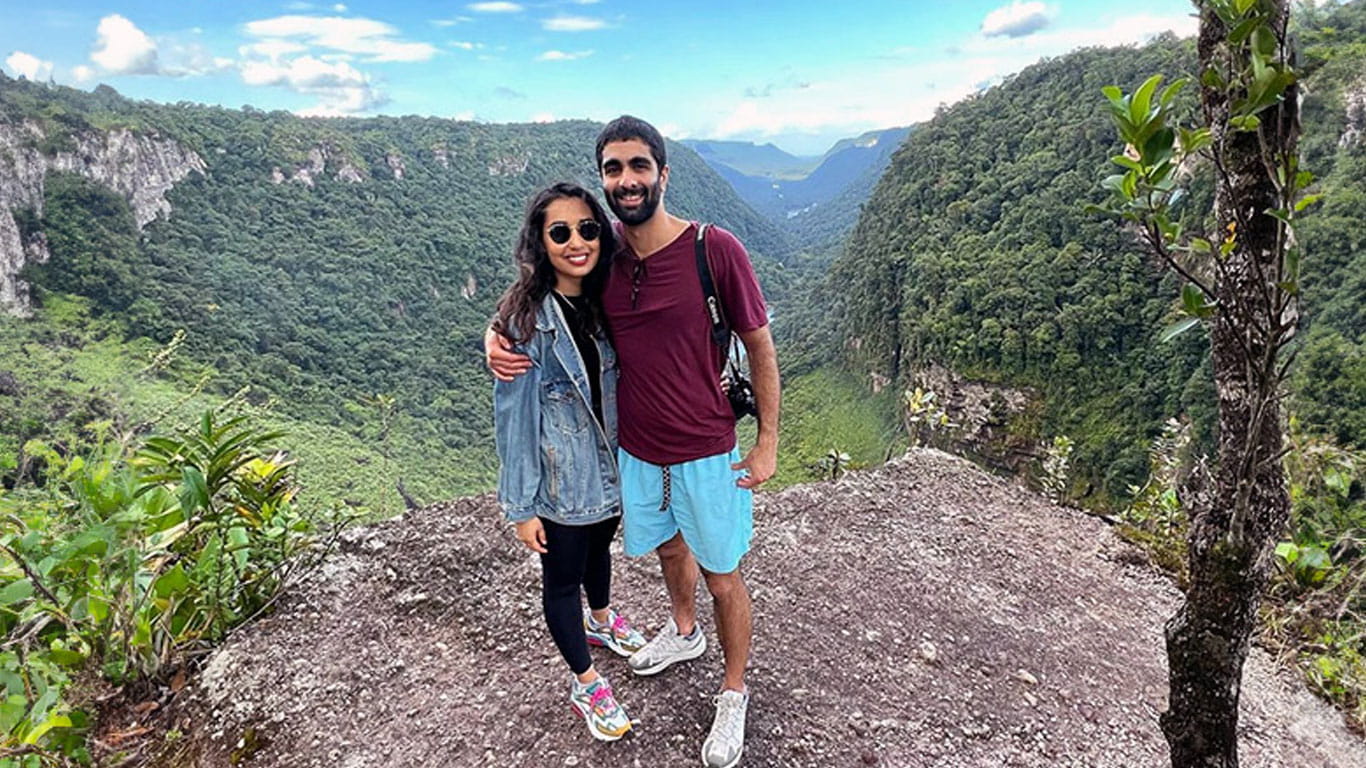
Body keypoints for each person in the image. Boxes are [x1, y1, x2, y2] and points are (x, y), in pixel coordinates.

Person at [489, 116, 781, 768]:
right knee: (670, 549)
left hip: (708, 447)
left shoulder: (716, 248)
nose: (626, 180)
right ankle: (683, 633)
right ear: (604, 178)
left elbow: (759, 344)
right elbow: (545, 292)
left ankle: (733, 692)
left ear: (662, 173)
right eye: (614, 169)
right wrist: (497, 333)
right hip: (638, 453)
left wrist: (766, 442)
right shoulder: (605, 256)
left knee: (723, 574)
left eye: (638, 166)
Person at [492, 181, 649, 743]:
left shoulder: (607, 297)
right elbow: (514, 420)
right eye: (560, 232)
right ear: (541, 240)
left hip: (612, 471)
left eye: (587, 229)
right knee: (561, 581)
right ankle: (585, 682)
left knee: (598, 552)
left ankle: (602, 621)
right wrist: (522, 506)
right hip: (562, 483)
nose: (576, 242)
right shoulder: (526, 322)